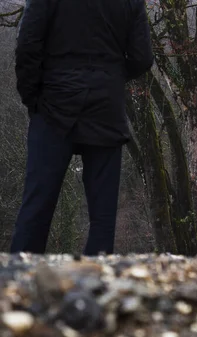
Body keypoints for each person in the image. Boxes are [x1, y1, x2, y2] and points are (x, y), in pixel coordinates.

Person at [10, 0, 154, 255]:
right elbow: (142, 57)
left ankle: (17, 285)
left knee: (36, 207)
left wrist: (32, 96)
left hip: (54, 103)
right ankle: (94, 288)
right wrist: (110, 76)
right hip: (105, 107)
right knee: (103, 217)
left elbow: (27, 43)